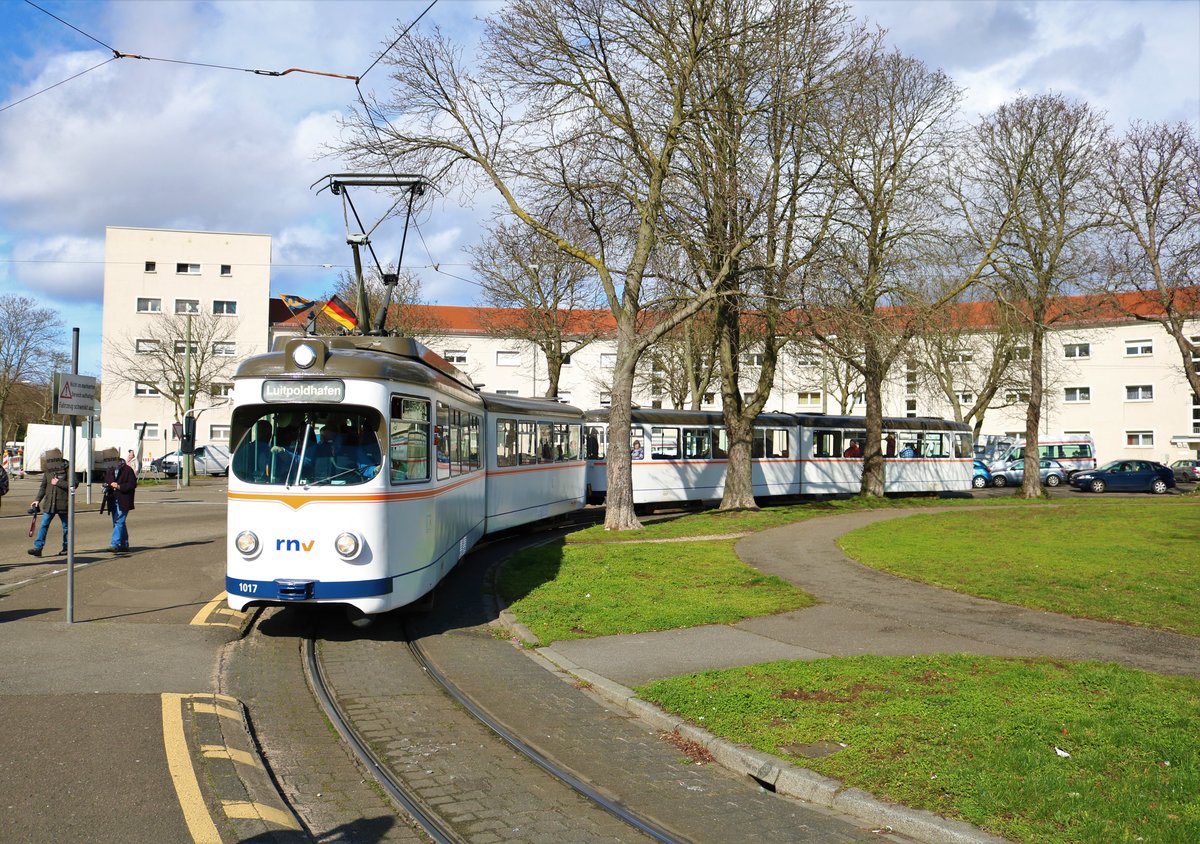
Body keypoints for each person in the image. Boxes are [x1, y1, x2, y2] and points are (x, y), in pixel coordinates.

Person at [28, 453, 70, 557]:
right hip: (49, 504)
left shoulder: (67, 469)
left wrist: (58, 482)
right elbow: (43, 486)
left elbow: (74, 484)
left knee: (66, 527)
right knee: (44, 525)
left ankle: (66, 548)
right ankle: (38, 548)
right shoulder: (48, 470)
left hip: (62, 504)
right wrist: (37, 500)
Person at [104, 456, 138, 552]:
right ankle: (124, 544)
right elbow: (107, 481)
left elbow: (132, 484)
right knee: (118, 522)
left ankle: (115, 544)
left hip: (124, 499)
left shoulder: (128, 470)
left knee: (119, 521)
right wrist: (106, 486)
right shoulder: (110, 469)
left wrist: (119, 486)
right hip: (113, 499)